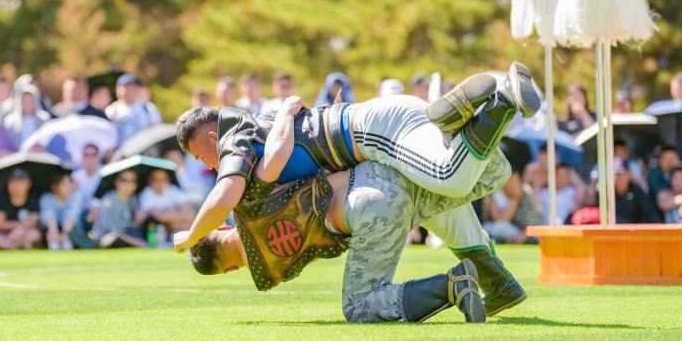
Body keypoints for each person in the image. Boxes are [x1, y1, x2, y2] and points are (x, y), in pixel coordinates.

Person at [173, 63, 541, 254]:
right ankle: (453, 118)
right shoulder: (251, 122)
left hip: (366, 132)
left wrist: (191, 236)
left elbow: (228, 196)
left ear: (211, 137)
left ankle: (502, 101)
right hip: (368, 130)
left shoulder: (233, 138)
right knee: (455, 187)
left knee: (452, 178)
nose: (209, 166)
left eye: (202, 156)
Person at [184, 113, 524, 321]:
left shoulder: (270, 271)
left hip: (370, 211)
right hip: (379, 168)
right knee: (469, 179)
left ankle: (452, 285)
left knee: (359, 306)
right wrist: (286, 111)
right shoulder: (248, 193)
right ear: (223, 224)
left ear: (229, 270)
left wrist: (191, 235)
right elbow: (274, 157)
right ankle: (484, 120)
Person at [0, 168, 42, 249]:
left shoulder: (33, 201)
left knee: (35, 234)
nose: (16, 186)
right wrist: (18, 226)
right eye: (13, 182)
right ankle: (11, 245)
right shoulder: (0, 200)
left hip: (23, 234)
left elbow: (33, 222)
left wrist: (19, 230)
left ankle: (3, 245)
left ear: (28, 184)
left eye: (20, 182)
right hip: (1, 236)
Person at [481, 170, 543, 244]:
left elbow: (536, 222)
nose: (514, 185)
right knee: (489, 227)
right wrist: (514, 200)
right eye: (511, 181)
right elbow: (500, 219)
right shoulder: (494, 194)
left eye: (516, 181)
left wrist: (524, 235)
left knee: (499, 228)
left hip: (527, 231)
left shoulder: (526, 193)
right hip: (507, 227)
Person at [91, 169, 147, 248]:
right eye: (125, 180)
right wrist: (136, 242)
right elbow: (111, 230)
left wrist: (138, 221)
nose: (130, 184)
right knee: (114, 238)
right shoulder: (109, 201)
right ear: (116, 182)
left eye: (133, 181)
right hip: (106, 235)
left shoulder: (133, 199)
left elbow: (130, 225)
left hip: (125, 233)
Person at [139, 168, 195, 237]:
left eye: (162, 179)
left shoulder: (172, 189)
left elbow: (189, 210)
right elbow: (159, 217)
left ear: (168, 180)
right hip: (158, 228)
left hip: (180, 224)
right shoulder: (146, 193)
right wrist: (178, 213)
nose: (159, 182)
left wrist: (172, 214)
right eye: (155, 179)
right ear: (149, 180)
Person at [106, 74, 162, 142]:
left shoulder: (148, 108)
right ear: (117, 90)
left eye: (131, 88)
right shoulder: (111, 110)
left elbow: (156, 130)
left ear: (138, 90)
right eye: (125, 88)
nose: (128, 91)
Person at [613, 158, 660, 224]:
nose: (619, 178)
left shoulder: (636, 191)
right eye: (616, 175)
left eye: (622, 174)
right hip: (615, 229)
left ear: (629, 173)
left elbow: (651, 214)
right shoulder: (606, 194)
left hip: (636, 229)